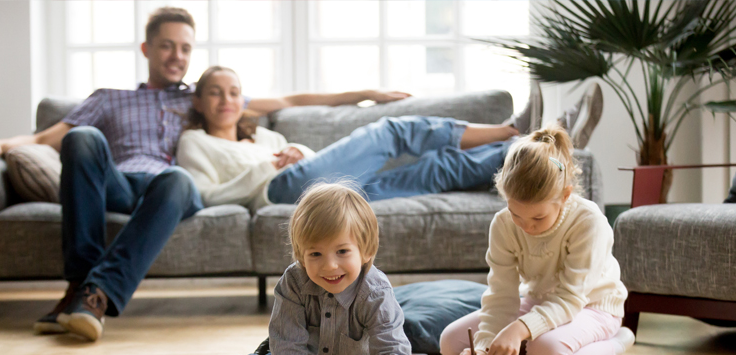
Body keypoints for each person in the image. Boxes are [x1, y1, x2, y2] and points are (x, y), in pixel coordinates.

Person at [0, 8, 409, 342]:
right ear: (147, 49)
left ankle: (93, 296)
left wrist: (365, 93)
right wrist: (1, 144)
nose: (177, 55)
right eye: (167, 46)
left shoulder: (200, 97)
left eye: (185, 48)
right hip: (119, 182)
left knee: (177, 179)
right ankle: (81, 286)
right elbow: (50, 135)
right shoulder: (108, 97)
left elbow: (292, 99)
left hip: (171, 190)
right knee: (82, 139)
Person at [177, 66, 532, 211]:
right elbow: (203, 196)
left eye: (234, 92)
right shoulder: (195, 142)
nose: (226, 100)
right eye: (214, 93)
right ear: (198, 100)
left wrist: (297, 151)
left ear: (243, 100)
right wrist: (267, 168)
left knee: (434, 171)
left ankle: (524, 148)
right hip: (279, 193)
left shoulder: (266, 136)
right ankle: (510, 128)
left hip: (323, 195)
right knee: (390, 131)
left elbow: (317, 166)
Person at [439, 125, 635, 355]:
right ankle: (521, 345)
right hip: (539, 303)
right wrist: (484, 347)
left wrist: (518, 330)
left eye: (538, 218)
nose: (527, 227)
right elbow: (501, 295)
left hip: (592, 306)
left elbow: (570, 298)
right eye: (516, 214)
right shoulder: (503, 223)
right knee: (450, 343)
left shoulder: (589, 222)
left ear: (565, 196)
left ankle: (616, 343)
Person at [231, 182, 412, 355]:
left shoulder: (376, 290)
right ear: (300, 255)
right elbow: (289, 345)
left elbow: (392, 348)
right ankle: (264, 351)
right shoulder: (294, 282)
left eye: (342, 251)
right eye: (315, 254)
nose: (329, 266)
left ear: (366, 251)